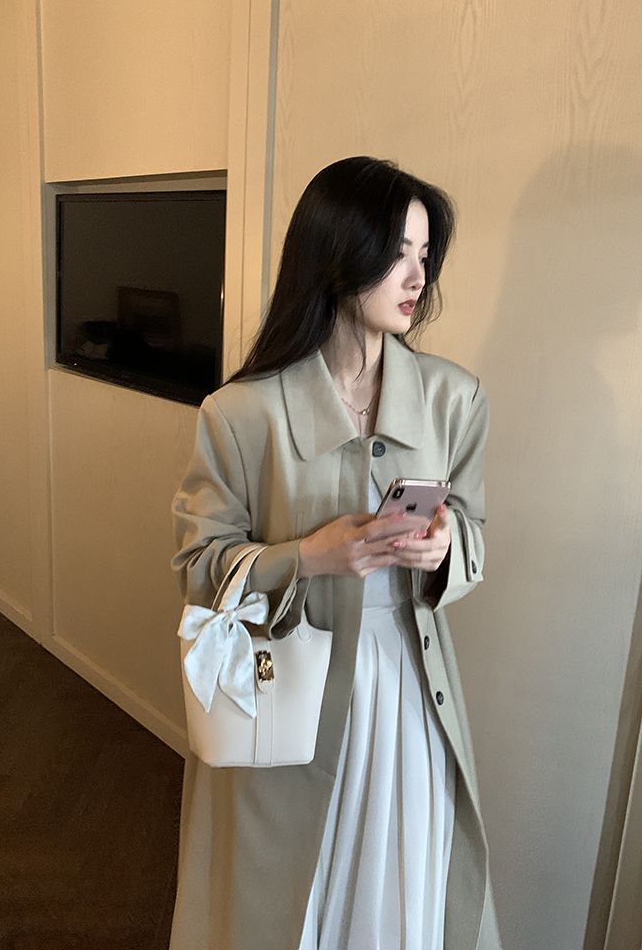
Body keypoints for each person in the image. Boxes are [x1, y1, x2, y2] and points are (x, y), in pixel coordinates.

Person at [169, 156, 503, 950]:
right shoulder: (241, 413)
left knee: (393, 885)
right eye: (397, 252)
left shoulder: (453, 399)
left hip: (408, 690)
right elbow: (198, 567)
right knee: (286, 893)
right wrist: (310, 558)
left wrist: (446, 544)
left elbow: (475, 531)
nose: (417, 276)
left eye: (425, 254)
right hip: (287, 685)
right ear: (338, 254)